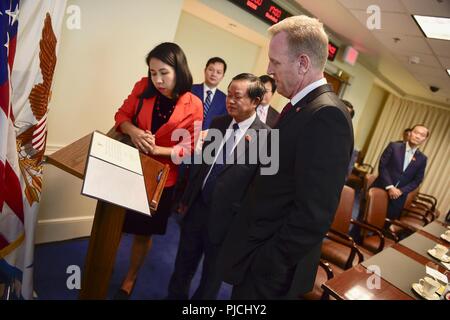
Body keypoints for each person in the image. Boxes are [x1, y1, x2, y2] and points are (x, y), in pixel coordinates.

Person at [218, 15, 354, 299]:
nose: (268, 69)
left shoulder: (327, 115)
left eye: (275, 62)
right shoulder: (299, 106)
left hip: (271, 272)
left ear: (303, 63)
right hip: (255, 249)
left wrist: (267, 260)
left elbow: (313, 215)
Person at [167, 73, 270, 300]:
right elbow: (203, 167)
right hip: (197, 209)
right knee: (182, 266)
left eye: (238, 97)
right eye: (229, 94)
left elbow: (260, 190)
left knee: (211, 279)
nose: (230, 100)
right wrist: (186, 200)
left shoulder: (267, 138)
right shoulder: (218, 123)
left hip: (228, 223)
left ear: (255, 101)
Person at [113, 42, 203, 299]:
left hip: (162, 178)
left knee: (143, 231)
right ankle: (104, 265)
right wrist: (134, 131)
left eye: (163, 72)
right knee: (115, 223)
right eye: (153, 72)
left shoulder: (193, 104)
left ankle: (130, 278)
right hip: (129, 166)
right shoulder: (143, 86)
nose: (158, 79)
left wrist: (157, 151)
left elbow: (190, 147)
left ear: (179, 69)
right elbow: (121, 116)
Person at [372, 124, 429, 220]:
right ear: (410, 133)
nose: (418, 136)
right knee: (364, 220)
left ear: (425, 139)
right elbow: (383, 166)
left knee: (385, 226)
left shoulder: (422, 158)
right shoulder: (394, 146)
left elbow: (417, 180)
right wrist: (390, 187)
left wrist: (400, 191)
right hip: (380, 189)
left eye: (422, 135)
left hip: (398, 198)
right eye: (416, 132)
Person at [192, 57, 228, 130]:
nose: (214, 74)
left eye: (218, 72)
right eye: (211, 70)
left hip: (209, 138)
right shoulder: (190, 90)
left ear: (222, 76)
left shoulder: (225, 100)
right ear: (205, 70)